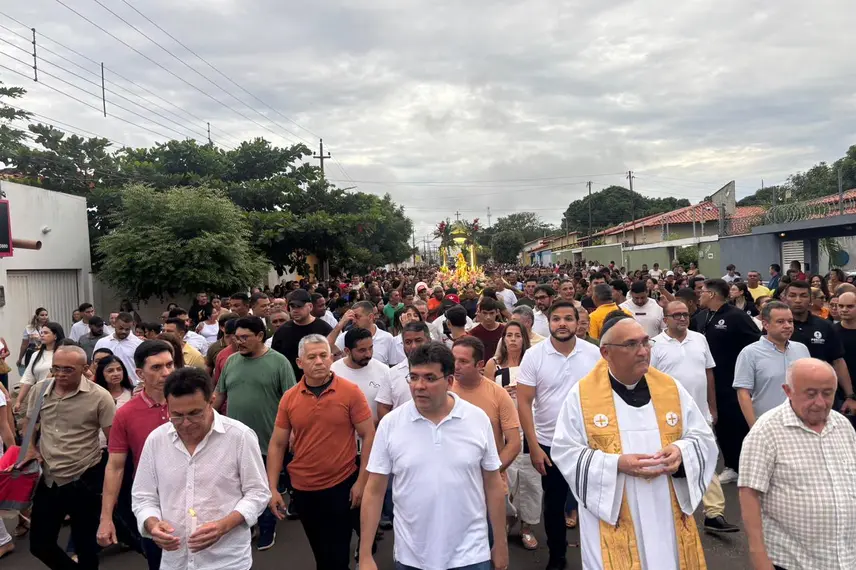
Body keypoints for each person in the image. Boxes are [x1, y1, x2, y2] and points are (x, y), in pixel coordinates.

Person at [551, 318, 718, 570]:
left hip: (666, 505)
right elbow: (565, 451)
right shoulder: (582, 396)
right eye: (631, 344)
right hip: (615, 506)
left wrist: (681, 453)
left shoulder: (670, 388)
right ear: (606, 352)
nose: (643, 351)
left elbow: (702, 438)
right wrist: (616, 464)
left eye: (645, 342)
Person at [358, 342, 509, 570]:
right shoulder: (391, 424)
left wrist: (500, 544)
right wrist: (366, 554)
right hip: (412, 556)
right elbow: (374, 490)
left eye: (429, 378)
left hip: (471, 554)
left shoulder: (477, 420)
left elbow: (493, 485)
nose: (419, 386)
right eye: (414, 377)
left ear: (449, 381)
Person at [131, 367, 271, 570]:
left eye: (195, 413)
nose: (186, 423)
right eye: (177, 415)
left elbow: (258, 493)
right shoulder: (156, 440)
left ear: (211, 400)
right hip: (175, 561)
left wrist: (223, 526)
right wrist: (152, 525)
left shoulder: (240, 437)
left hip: (227, 561)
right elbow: (143, 496)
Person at [267, 335, 376, 570]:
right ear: (299, 363)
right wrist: (273, 488)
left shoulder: (350, 392)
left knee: (336, 556)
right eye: (312, 357)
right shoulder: (289, 398)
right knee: (321, 553)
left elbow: (369, 435)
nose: (319, 361)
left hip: (341, 487)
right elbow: (277, 444)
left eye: (324, 355)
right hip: (304, 490)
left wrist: (361, 482)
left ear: (331, 358)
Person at [739, 358, 856, 570]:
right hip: (793, 562)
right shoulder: (766, 431)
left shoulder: (843, 426)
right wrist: (759, 557)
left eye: (828, 393)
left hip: (846, 558)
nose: (820, 402)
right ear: (788, 391)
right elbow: (749, 493)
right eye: (810, 394)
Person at [516, 301, 601, 569]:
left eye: (567, 319)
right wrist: (533, 445)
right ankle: (558, 556)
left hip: (587, 445)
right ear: (549, 322)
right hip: (549, 444)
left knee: (593, 504)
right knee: (553, 505)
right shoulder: (534, 356)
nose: (562, 324)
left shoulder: (594, 354)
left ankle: (598, 556)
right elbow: (523, 403)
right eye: (556, 319)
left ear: (578, 323)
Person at [23, 345, 115, 570]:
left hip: (84, 478)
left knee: (86, 548)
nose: (60, 374)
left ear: (85, 368)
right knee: (40, 545)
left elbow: (114, 442)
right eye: (56, 368)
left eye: (68, 369)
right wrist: (31, 448)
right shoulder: (40, 390)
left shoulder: (99, 397)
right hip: (50, 478)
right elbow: (29, 422)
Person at [651, 300, 738, 534]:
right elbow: (649, 382)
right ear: (665, 319)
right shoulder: (655, 346)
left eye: (685, 314)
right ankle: (668, 515)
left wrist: (712, 407)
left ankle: (714, 513)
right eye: (676, 315)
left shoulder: (700, 339)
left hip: (701, 413)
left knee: (707, 458)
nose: (682, 318)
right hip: (668, 417)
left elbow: (708, 374)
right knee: (669, 464)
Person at [211, 316, 296, 550]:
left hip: (269, 440)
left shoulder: (279, 363)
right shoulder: (231, 362)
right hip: (234, 441)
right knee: (238, 488)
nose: (240, 342)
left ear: (260, 336)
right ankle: (249, 527)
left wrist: (292, 434)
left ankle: (268, 529)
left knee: (267, 487)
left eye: (245, 337)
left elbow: (290, 402)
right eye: (237, 337)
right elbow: (219, 395)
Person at [97, 340, 174, 569]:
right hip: (153, 505)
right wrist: (106, 518)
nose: (166, 372)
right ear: (140, 373)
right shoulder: (126, 414)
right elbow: (115, 467)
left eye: (170, 364)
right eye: (157, 367)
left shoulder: (191, 404)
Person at [694, 278, 761, 484]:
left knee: (736, 424)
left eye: (702, 291)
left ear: (712, 294)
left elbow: (755, 344)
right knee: (719, 424)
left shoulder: (736, 317)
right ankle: (731, 464)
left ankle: (743, 467)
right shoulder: (702, 316)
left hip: (733, 381)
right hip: (710, 380)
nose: (700, 295)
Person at [483, 322, 541, 550]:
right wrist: (501, 394)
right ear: (503, 339)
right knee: (506, 478)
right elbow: (485, 393)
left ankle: (527, 526)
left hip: (530, 427)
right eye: (509, 335)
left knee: (531, 480)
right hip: (505, 429)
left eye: (518, 335)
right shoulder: (494, 364)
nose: (514, 339)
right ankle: (506, 520)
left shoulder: (532, 363)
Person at [733, 302, 811, 429]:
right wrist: (754, 428)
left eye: (790, 321)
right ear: (765, 324)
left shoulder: (802, 349)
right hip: (767, 425)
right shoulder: (750, 353)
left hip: (801, 423)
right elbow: (743, 393)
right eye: (780, 322)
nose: (787, 326)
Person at [783, 280, 856, 416]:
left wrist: (850, 396)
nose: (798, 300)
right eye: (793, 295)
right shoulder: (776, 327)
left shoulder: (825, 326)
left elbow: (838, 361)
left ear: (811, 299)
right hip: (786, 395)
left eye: (803, 295)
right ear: (785, 298)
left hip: (822, 396)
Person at [331, 327, 389, 429]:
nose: (368, 354)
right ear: (347, 351)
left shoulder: (384, 370)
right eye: (362, 350)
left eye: (371, 348)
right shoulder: (333, 371)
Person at [271, 289, 334, 379]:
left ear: (310, 307)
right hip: (290, 384)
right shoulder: (282, 331)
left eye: (299, 307)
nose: (295, 310)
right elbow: (275, 361)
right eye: (292, 307)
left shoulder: (324, 328)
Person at [14, 322, 64, 414]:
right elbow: (28, 380)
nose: (42, 335)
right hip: (39, 397)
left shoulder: (63, 353)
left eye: (46, 333)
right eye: (41, 333)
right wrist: (18, 401)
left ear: (55, 336)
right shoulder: (36, 355)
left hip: (59, 397)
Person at [330, 301, 398, 365]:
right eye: (352, 317)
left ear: (370, 317)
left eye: (357, 317)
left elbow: (393, 366)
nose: (353, 321)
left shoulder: (387, 338)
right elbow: (327, 348)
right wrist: (340, 325)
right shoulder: (346, 336)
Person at [95, 312, 144, 384]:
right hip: (107, 386)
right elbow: (94, 365)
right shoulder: (102, 342)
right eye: (121, 328)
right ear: (114, 324)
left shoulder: (139, 344)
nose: (123, 331)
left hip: (133, 386)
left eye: (127, 329)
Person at [17, 306, 49, 374]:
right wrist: (20, 358)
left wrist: (39, 338)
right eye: (42, 315)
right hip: (32, 351)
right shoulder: (29, 328)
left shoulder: (50, 326)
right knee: (30, 372)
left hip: (45, 350)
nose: (44, 317)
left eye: (46, 315)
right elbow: (24, 345)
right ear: (37, 316)